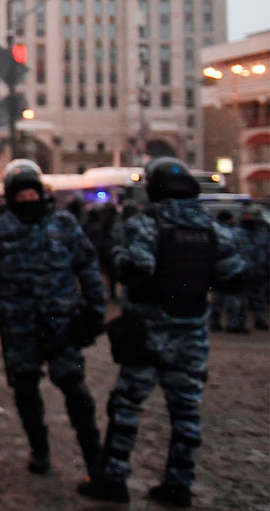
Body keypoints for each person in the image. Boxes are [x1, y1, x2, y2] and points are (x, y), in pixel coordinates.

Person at [80, 157, 246, 507]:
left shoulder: (146, 223)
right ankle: (178, 484)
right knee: (186, 410)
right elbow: (234, 277)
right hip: (192, 330)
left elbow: (136, 267)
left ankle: (113, 479)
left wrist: (119, 258)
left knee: (126, 406)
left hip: (149, 329)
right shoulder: (212, 228)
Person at [0, 159, 106, 477]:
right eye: (21, 194)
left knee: (75, 389)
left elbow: (88, 266)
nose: (28, 199)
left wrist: (95, 311)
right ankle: (39, 451)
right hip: (18, 326)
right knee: (25, 391)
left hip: (62, 325)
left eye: (32, 193)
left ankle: (95, 460)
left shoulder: (64, 225)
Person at [238, 205, 269, 330]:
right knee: (240, 299)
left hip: (260, 269)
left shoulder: (264, 231)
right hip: (242, 269)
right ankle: (239, 323)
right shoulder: (239, 231)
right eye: (246, 215)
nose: (248, 217)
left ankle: (260, 320)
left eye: (250, 215)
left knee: (259, 297)